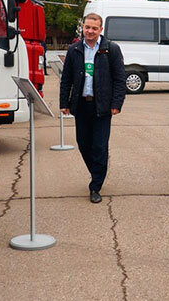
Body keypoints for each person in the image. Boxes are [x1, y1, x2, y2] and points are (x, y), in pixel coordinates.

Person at [60, 13, 126, 203]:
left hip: (103, 107)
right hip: (81, 106)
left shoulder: (111, 49)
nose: (90, 31)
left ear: (101, 30)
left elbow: (120, 79)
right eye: (87, 27)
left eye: (94, 28)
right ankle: (97, 171)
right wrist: (64, 103)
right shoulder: (74, 50)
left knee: (99, 146)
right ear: (83, 27)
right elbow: (66, 79)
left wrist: (116, 103)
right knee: (83, 145)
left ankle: (95, 185)